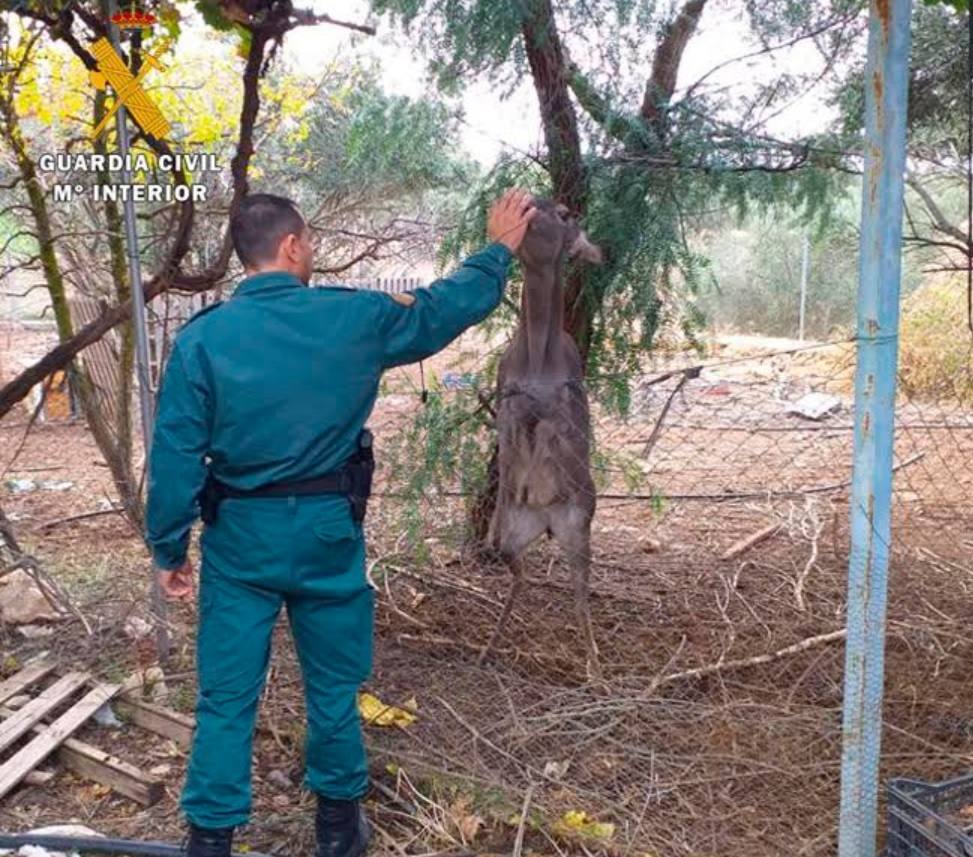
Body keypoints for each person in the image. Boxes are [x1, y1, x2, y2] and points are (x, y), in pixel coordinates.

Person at [143, 188, 537, 857]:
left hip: (240, 538)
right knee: (331, 686)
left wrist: (169, 546)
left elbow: (176, 454)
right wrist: (499, 248)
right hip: (328, 533)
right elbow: (445, 309)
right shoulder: (353, 318)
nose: (312, 254)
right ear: (292, 245)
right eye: (310, 244)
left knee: (226, 697)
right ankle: (337, 830)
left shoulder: (203, 338)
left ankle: (209, 839)